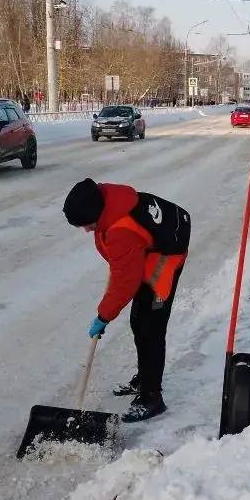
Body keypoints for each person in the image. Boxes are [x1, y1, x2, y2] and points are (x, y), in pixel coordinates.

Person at [62, 179, 191, 422]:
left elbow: (125, 283)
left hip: (166, 254)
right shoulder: (106, 202)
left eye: (86, 224)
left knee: (150, 326)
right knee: (138, 321)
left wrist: (104, 316)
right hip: (147, 248)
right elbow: (123, 267)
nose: (86, 230)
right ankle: (144, 377)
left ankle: (152, 397)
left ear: (95, 212)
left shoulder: (121, 230)